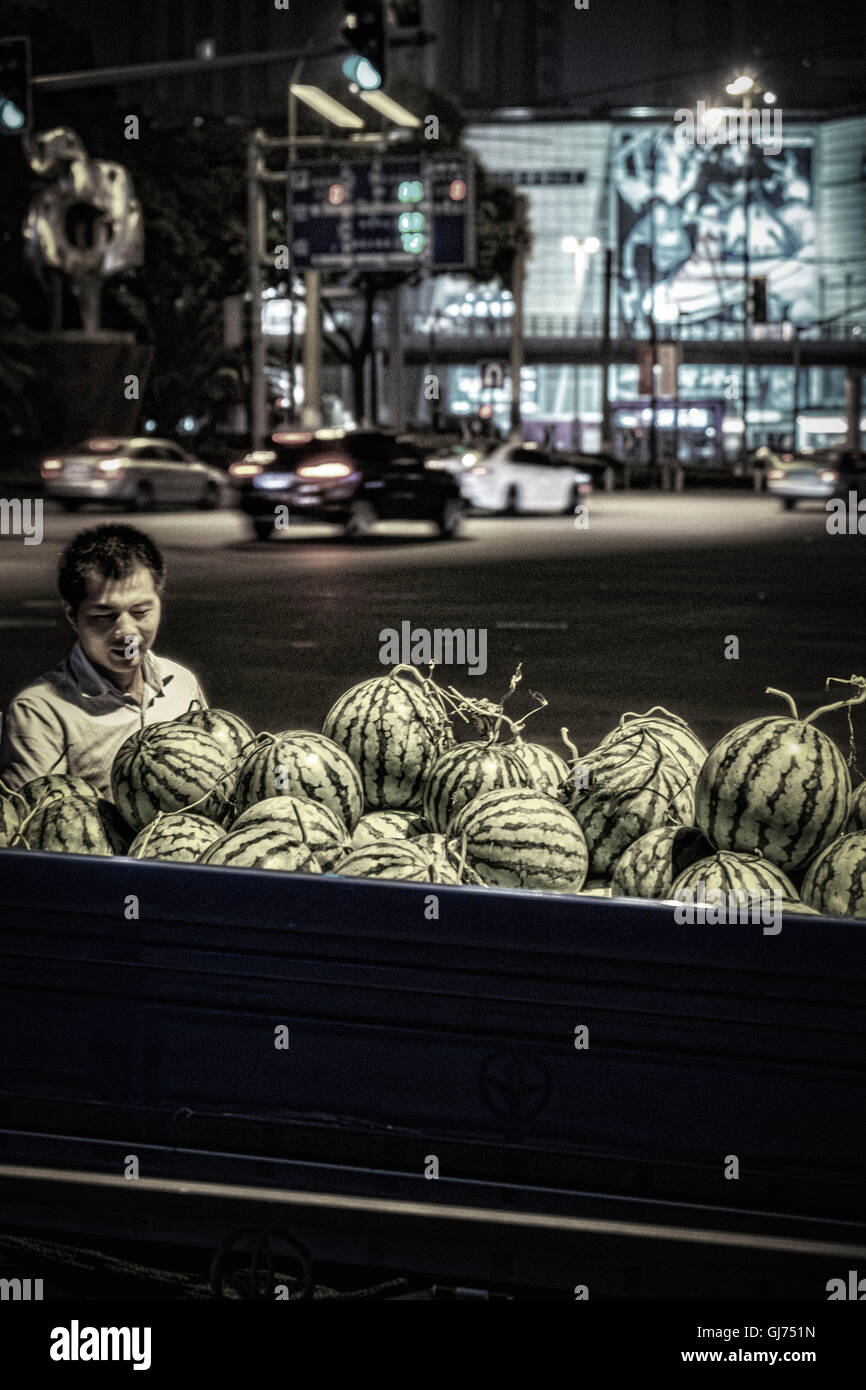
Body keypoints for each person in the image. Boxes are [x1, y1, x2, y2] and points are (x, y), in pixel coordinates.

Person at [0, 524, 207, 799]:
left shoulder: (182, 684)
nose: (127, 632)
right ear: (73, 615)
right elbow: (37, 826)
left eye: (141, 611)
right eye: (104, 615)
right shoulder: (41, 713)